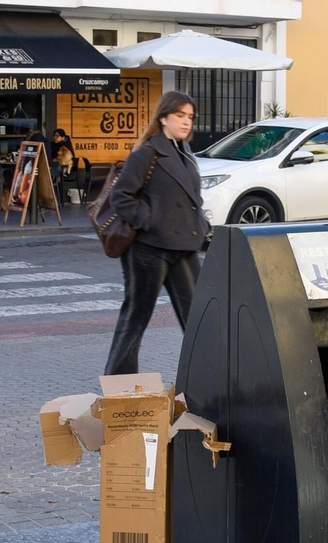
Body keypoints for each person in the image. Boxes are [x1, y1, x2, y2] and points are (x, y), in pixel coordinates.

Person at [103, 91, 206, 376]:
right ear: (163, 118)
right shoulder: (147, 153)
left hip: (183, 247)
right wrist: (149, 220)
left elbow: (192, 198)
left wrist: (202, 226)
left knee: (198, 319)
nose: (186, 122)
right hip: (149, 250)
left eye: (190, 117)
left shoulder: (186, 153)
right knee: (135, 319)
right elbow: (121, 197)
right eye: (179, 115)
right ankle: (119, 384)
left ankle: (206, 381)